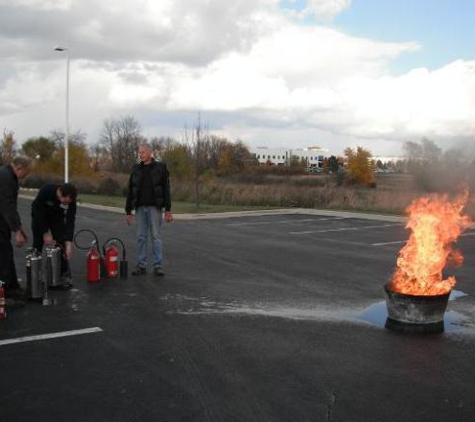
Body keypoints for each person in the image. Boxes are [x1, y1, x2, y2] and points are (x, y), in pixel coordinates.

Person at [125, 142, 173, 276]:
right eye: (139, 152)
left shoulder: (160, 168)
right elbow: (130, 190)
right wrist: (128, 211)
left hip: (154, 208)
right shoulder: (136, 169)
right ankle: (141, 266)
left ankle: (158, 266)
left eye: (143, 152)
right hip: (140, 208)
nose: (140, 155)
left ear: (150, 153)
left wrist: (168, 210)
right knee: (141, 237)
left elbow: (166, 190)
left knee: (156, 237)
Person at [0, 156, 33, 307]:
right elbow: (6, 206)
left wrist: (19, 227)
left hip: (3, 224)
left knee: (7, 255)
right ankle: (5, 295)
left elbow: (12, 207)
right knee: (3, 258)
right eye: (26, 171)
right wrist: (17, 231)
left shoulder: (9, 176)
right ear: (19, 168)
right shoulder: (5, 178)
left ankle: (12, 288)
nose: (27, 175)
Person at [31, 183, 77, 289]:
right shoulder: (46, 190)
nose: (66, 203)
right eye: (65, 201)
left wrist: (69, 242)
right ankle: (35, 275)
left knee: (61, 242)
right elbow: (39, 211)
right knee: (37, 243)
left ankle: (60, 275)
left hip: (56, 217)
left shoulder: (71, 200)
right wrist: (45, 232)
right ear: (60, 193)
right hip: (39, 216)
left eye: (68, 202)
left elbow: (70, 220)